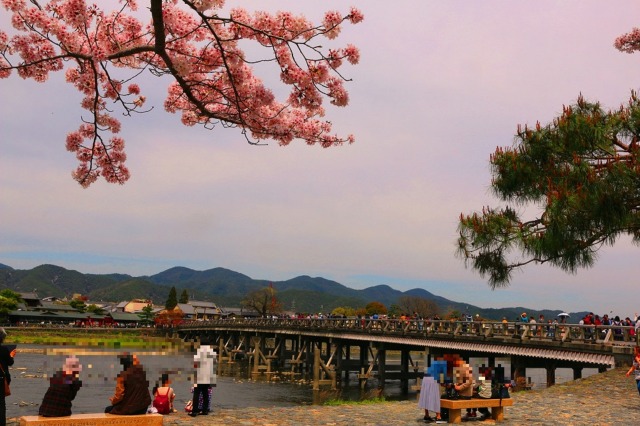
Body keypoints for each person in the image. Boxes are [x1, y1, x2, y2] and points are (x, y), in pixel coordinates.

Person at [189, 344, 217, 417]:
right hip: (207, 376)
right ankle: (205, 410)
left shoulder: (198, 353)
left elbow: (195, 366)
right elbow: (214, 366)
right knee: (205, 394)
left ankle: (194, 411)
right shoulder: (212, 353)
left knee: (196, 394)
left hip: (199, 376)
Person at [0, 329, 15, 426]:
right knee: (1, 405)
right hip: (1, 379)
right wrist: (12, 355)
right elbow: (10, 362)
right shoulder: (4, 349)